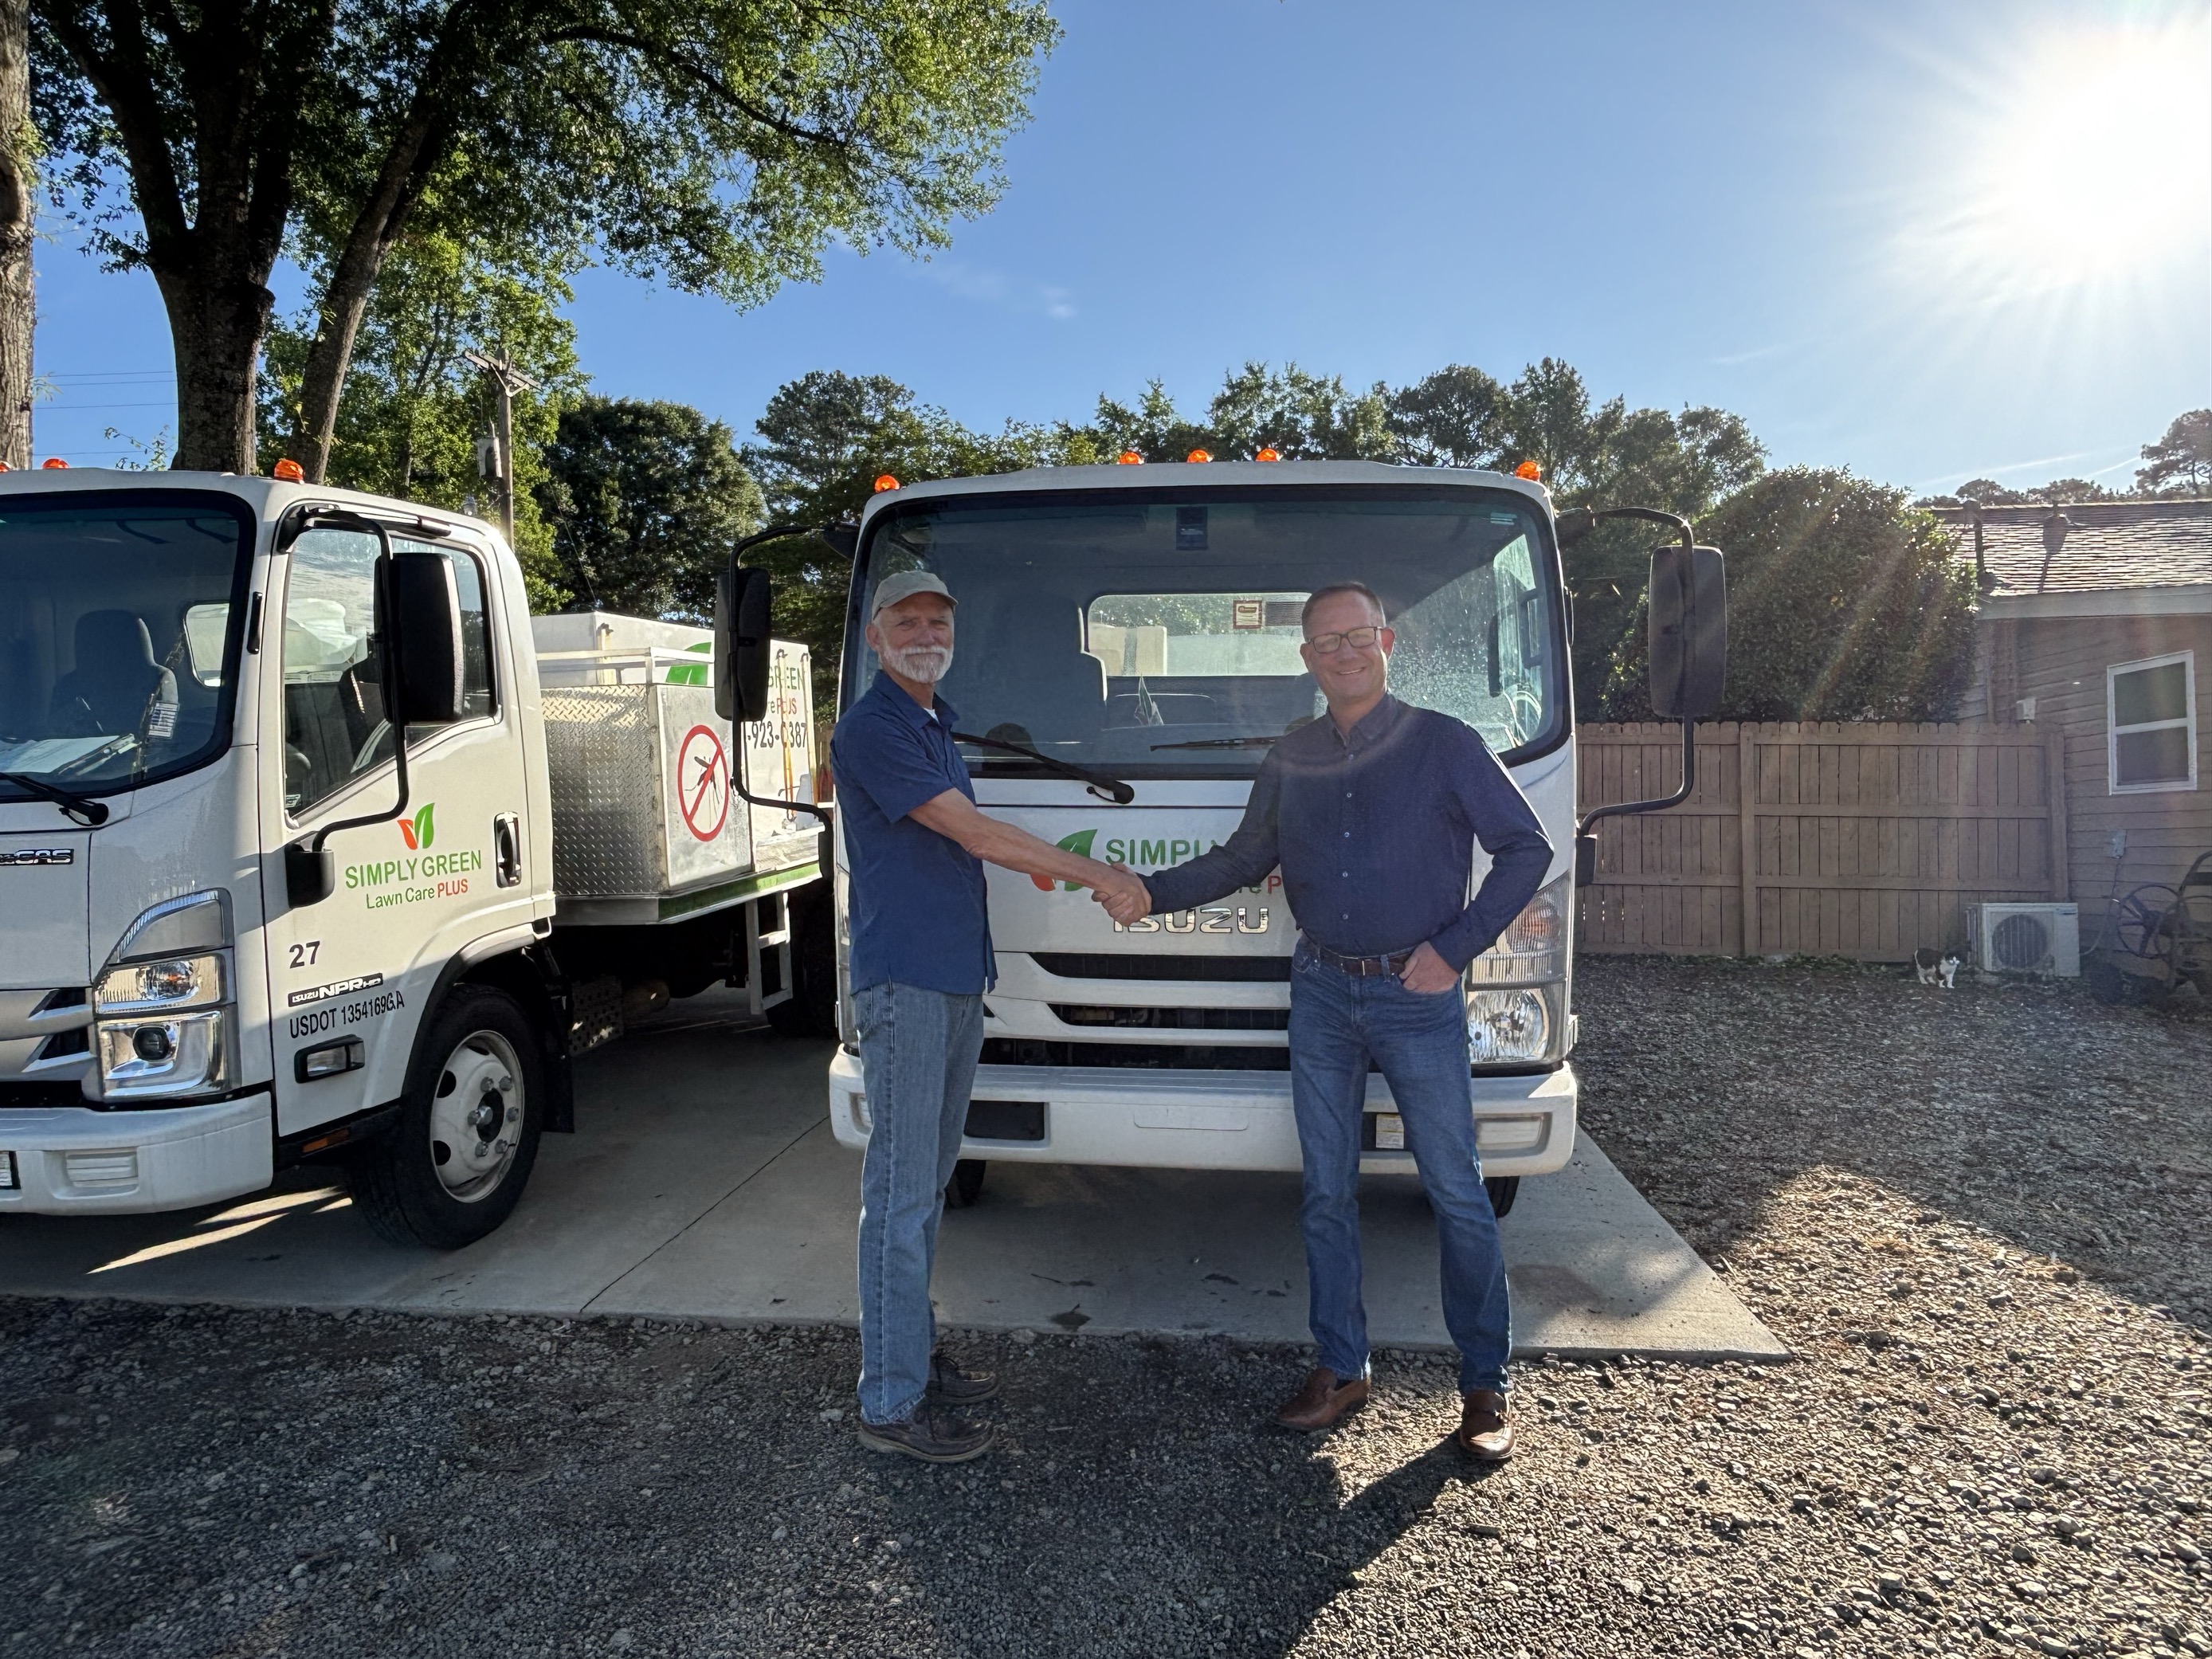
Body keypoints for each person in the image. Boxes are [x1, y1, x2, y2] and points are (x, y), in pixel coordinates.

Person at [1099, 581, 1551, 1461]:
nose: (1344, 653)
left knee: (1456, 1190)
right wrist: (1148, 891)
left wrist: (1456, 948)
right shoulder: (1293, 755)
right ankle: (1342, 1367)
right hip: (1321, 992)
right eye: (1325, 642)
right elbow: (1243, 857)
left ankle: (1483, 1384)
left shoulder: (1445, 744)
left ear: (1386, 642)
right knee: (1325, 1191)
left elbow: (1525, 849)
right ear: (1305, 658)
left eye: (1358, 636)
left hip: (1416, 997)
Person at [832, 570, 1152, 1464]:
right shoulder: (873, 727)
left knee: (928, 1186)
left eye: (938, 620)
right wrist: (1100, 874)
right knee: (900, 1197)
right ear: (874, 637)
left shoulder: (935, 720)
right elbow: (972, 833)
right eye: (906, 621)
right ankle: (890, 1403)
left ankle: (910, 1357)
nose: (925, 634)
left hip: (951, 976)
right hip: (906, 982)